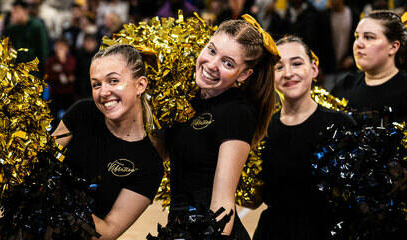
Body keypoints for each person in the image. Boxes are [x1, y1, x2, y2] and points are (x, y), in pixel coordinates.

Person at [166, 16, 278, 238]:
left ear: (244, 75)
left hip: (209, 231)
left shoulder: (238, 112)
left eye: (228, 63)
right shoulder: (190, 100)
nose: (211, 65)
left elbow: (222, 201)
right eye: (211, 50)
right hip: (179, 227)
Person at [52, 44, 164, 240]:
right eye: (96, 84)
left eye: (113, 81)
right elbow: (43, 159)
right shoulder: (82, 112)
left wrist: (57, 199)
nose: (103, 92)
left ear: (140, 85)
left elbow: (108, 231)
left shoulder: (149, 164)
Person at [253, 35, 354, 240]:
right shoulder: (262, 129)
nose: (288, 73)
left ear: (314, 69)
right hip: (273, 232)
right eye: (279, 67)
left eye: (297, 63)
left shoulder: (341, 125)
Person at [332, 10, 407, 125]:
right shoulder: (344, 85)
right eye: (357, 37)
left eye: (369, 37)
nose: (358, 44)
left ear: (393, 47)